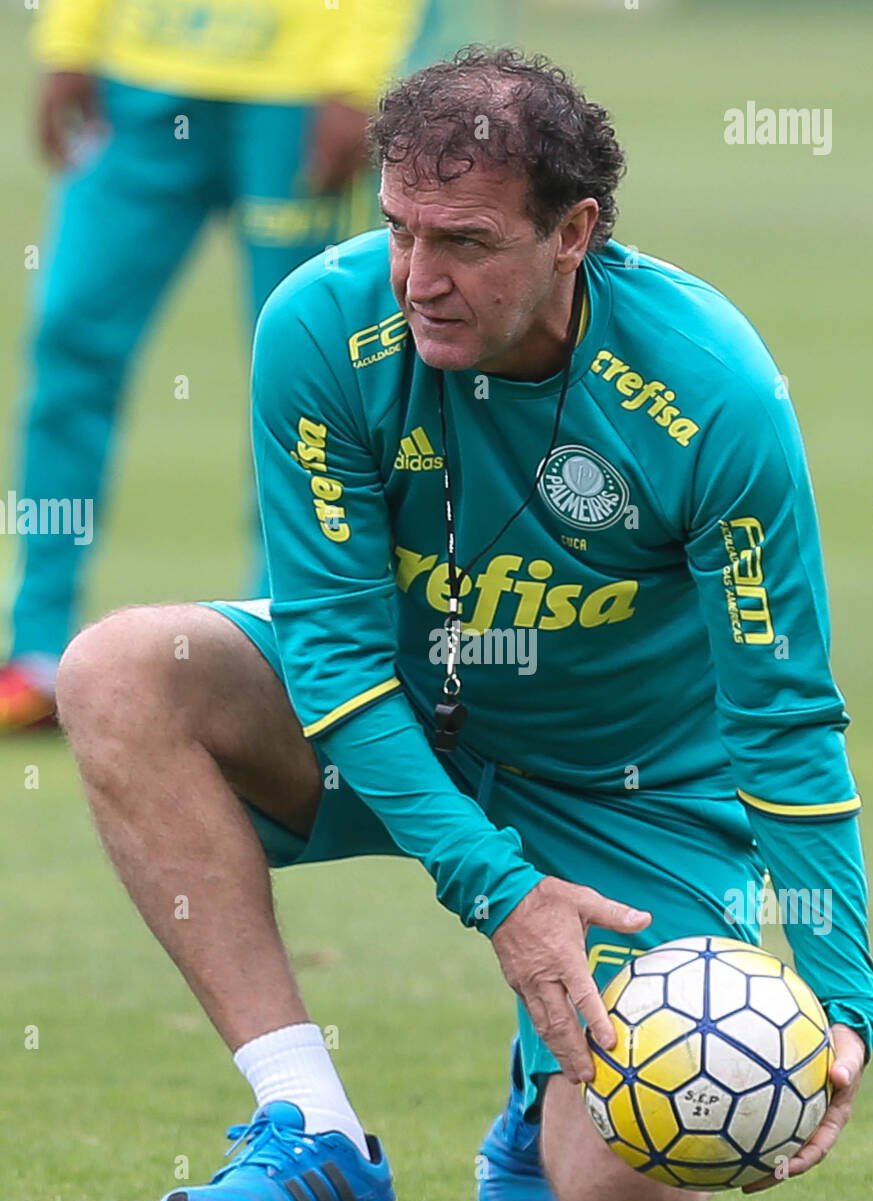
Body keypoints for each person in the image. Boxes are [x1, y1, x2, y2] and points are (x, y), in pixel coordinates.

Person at [56, 47, 873, 1201]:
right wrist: (500, 890)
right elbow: (334, 659)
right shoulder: (321, 330)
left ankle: (531, 1102)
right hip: (393, 718)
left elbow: (783, 713)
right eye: (398, 229)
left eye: (464, 244)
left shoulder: (712, 392)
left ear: (573, 232)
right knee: (120, 669)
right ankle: (315, 1132)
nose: (416, 279)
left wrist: (845, 996)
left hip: (628, 786)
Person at [0, 0, 499, 732]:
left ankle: (282, 650)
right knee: (69, 342)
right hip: (136, 75)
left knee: (311, 366)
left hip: (293, 87)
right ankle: (37, 648)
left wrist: (353, 78)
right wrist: (71, 39)